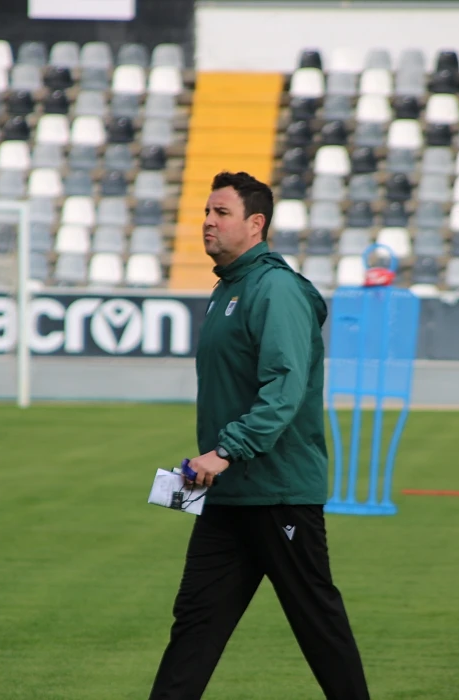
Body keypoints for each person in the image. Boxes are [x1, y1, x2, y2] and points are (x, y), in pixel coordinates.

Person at [148, 171, 371, 700]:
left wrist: (227, 449)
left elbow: (285, 388)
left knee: (318, 626)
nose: (207, 221)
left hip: (279, 493)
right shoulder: (229, 288)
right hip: (228, 496)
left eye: (221, 213)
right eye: (206, 211)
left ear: (256, 224)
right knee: (196, 622)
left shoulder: (276, 290)